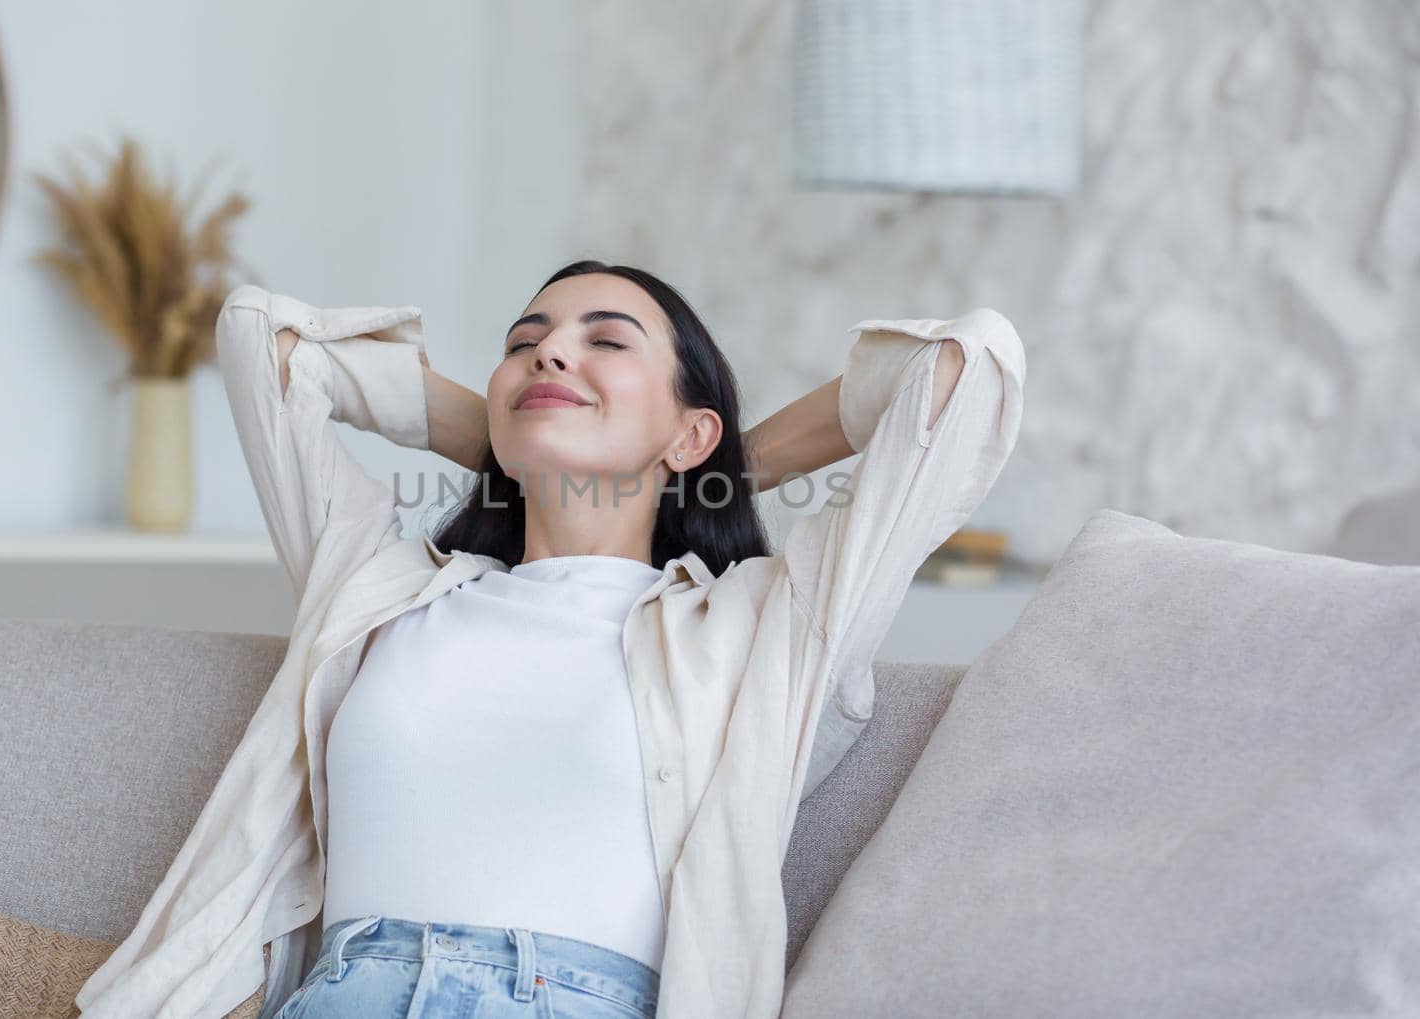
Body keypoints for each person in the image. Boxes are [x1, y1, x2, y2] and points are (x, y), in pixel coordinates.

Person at [73, 259, 1026, 1019]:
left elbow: (965, 370)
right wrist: (511, 435)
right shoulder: (381, 587)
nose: (550, 354)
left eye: (604, 341)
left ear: (688, 431)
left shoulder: (756, 626)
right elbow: (264, 339)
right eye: (524, 345)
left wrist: (722, 464)